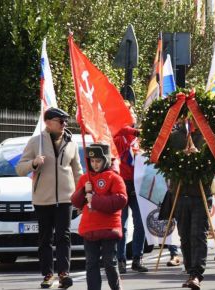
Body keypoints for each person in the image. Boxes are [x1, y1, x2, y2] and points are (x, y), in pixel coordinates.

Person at [16, 107, 82, 289]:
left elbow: (78, 172)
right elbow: (20, 168)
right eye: (61, 121)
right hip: (43, 199)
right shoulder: (35, 142)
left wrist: (81, 195)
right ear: (48, 122)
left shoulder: (72, 143)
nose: (64, 124)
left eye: (66, 121)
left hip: (66, 198)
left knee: (64, 237)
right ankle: (47, 274)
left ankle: (63, 274)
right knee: (45, 238)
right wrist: (34, 163)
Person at [167, 118, 215, 289]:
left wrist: (198, 157)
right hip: (179, 193)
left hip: (201, 193)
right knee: (185, 235)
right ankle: (190, 270)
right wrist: (181, 157)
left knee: (198, 234)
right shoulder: (172, 137)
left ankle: (196, 274)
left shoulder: (208, 136)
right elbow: (165, 162)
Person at [71, 143, 127, 290]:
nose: (95, 164)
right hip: (90, 228)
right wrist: (83, 190)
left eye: (98, 161)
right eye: (92, 161)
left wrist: (95, 200)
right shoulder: (85, 179)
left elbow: (121, 200)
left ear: (106, 160)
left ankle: (116, 287)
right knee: (91, 264)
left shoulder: (114, 178)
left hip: (109, 228)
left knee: (109, 263)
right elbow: (75, 201)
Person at [115, 102, 148, 273]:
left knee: (140, 223)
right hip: (121, 184)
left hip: (138, 184)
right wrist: (133, 131)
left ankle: (137, 258)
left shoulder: (140, 139)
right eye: (127, 112)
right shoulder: (118, 134)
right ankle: (120, 259)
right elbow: (116, 131)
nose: (131, 115)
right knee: (122, 224)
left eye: (132, 112)